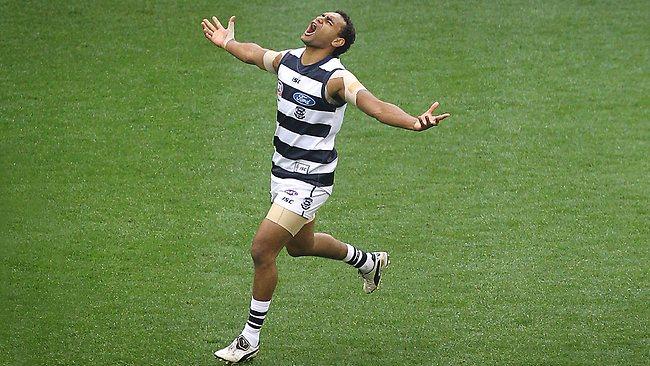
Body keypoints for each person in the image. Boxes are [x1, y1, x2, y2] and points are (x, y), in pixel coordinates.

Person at [201, 10, 450, 364]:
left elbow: (375, 106)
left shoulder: (337, 79)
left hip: (309, 179)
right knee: (301, 246)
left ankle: (249, 339)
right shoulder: (288, 60)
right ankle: (368, 261)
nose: (318, 18)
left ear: (337, 42)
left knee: (262, 250)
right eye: (320, 15)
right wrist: (228, 43)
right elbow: (256, 54)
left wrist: (414, 122)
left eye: (328, 20)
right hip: (281, 171)